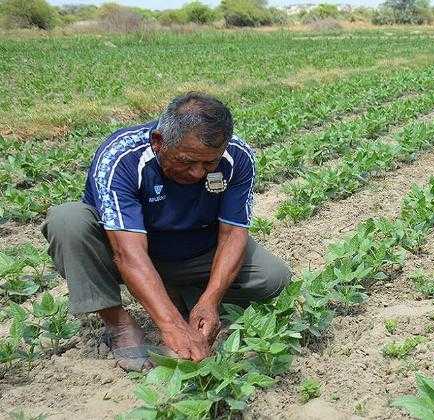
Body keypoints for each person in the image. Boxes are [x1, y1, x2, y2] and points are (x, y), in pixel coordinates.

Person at [41, 92, 291, 371]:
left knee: (273, 278)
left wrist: (210, 300)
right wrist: (171, 326)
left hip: (196, 251)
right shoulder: (122, 156)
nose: (198, 173)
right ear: (159, 142)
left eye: (209, 163)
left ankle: (182, 295)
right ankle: (119, 324)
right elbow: (127, 253)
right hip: (129, 252)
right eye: (187, 161)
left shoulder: (237, 156)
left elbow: (233, 234)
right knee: (67, 220)